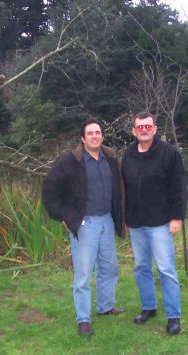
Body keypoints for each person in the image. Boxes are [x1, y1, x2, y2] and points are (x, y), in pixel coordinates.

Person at [42, 118, 125, 337]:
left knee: (110, 268)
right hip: (85, 223)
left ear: (102, 136)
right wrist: (63, 216)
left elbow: (119, 189)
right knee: (83, 274)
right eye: (90, 133)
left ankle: (106, 307)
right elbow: (49, 188)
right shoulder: (70, 161)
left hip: (107, 220)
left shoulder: (110, 158)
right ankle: (84, 320)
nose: (95, 136)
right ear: (83, 138)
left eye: (98, 132)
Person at [122, 111, 187, 335]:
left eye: (148, 127)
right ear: (134, 130)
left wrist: (177, 218)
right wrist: (125, 217)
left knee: (166, 269)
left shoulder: (169, 153)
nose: (144, 130)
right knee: (141, 267)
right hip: (136, 223)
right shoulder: (128, 154)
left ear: (155, 129)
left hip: (160, 222)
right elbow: (125, 188)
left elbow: (179, 188)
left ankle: (173, 316)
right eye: (140, 127)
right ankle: (148, 307)